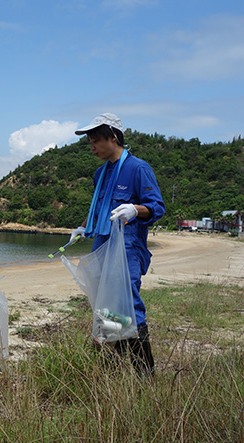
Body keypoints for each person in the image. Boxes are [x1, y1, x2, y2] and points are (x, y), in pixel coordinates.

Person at [71, 113, 165, 376]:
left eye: (95, 140)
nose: (92, 146)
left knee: (129, 306)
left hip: (126, 251)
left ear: (113, 137)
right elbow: (100, 209)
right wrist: (83, 227)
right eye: (89, 141)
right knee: (105, 307)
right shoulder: (100, 173)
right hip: (101, 247)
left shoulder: (138, 169)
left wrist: (136, 209)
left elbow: (157, 207)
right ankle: (113, 366)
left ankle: (144, 372)